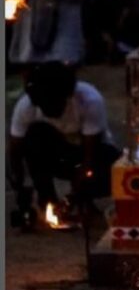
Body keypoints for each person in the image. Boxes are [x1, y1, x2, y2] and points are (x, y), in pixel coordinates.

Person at [8, 63, 121, 226]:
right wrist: (19, 187)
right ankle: (47, 199)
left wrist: (74, 195)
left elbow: (91, 155)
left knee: (113, 172)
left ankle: (84, 201)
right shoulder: (26, 107)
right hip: (57, 155)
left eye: (54, 102)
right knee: (34, 136)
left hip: (93, 154)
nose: (50, 109)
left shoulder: (89, 101)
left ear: (67, 96)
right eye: (44, 104)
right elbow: (15, 150)